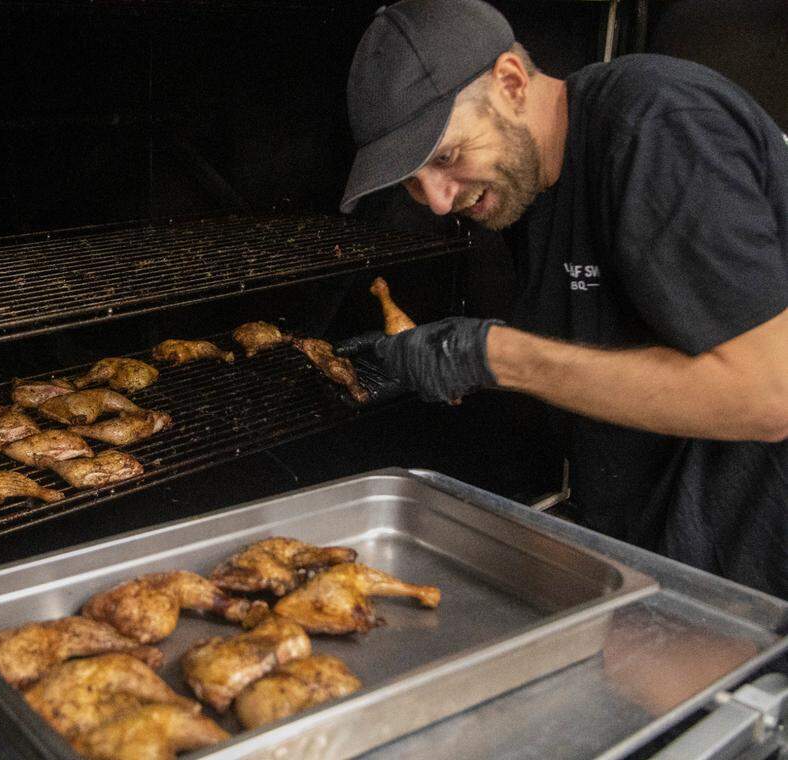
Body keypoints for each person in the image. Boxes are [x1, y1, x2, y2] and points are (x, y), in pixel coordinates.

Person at [335, 0, 788, 600]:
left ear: (512, 83)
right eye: (413, 184)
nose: (439, 202)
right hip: (655, 548)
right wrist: (450, 358)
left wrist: (495, 355)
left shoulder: (659, 129)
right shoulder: (523, 181)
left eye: (445, 157)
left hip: (760, 562)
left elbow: (768, 392)